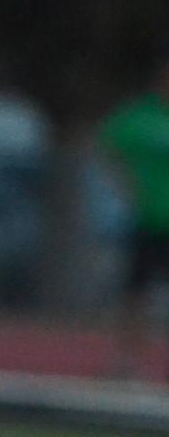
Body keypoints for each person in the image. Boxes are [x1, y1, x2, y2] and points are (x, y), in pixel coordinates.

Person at [101, 43, 169, 380]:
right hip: (149, 220)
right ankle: (128, 361)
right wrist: (127, 187)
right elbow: (108, 147)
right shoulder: (141, 116)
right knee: (137, 295)